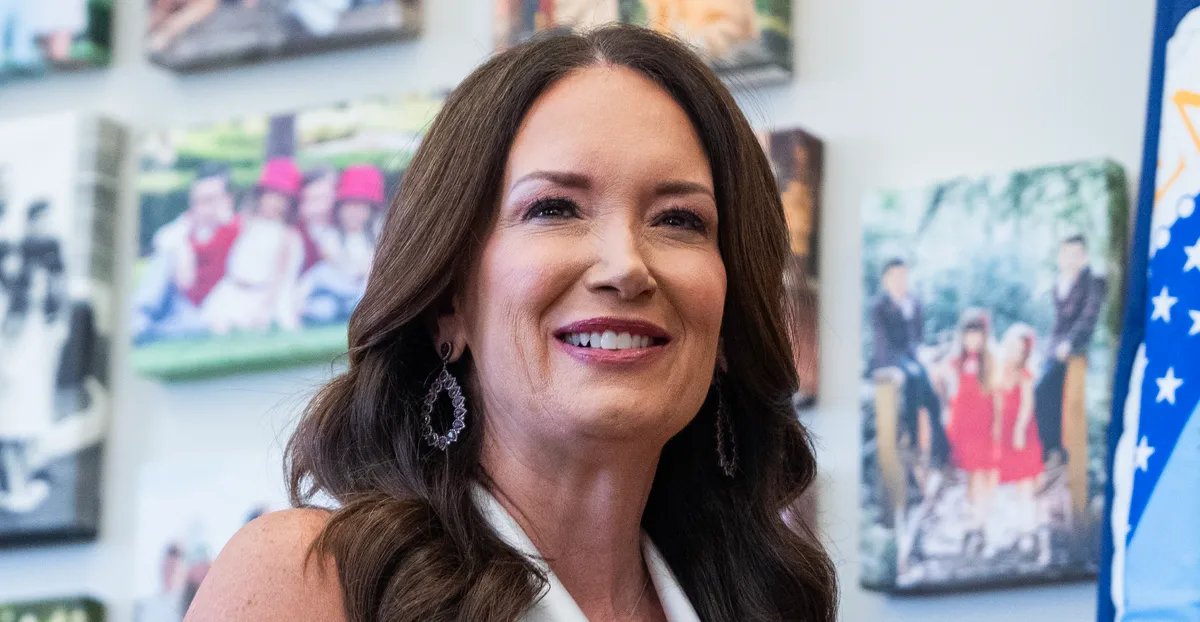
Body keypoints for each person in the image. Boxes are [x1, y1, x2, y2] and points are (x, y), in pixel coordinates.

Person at [185, 25, 836, 621]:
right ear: (448, 305)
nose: (626, 267)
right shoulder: (317, 581)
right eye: (554, 208)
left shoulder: (774, 608)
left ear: (727, 323)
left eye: (679, 220)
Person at [132, 163, 240, 343]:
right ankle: (140, 316)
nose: (202, 209)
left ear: (228, 200)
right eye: (197, 201)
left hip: (208, 312)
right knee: (166, 255)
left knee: (193, 326)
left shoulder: (239, 231)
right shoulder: (182, 229)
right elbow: (184, 280)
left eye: (210, 200)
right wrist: (182, 242)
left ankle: (145, 327)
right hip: (177, 302)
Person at [202, 157, 305, 334]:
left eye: (282, 197)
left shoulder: (287, 236)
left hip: (260, 296)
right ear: (261, 195)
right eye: (270, 194)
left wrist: (264, 307)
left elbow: (280, 278)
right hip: (231, 291)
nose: (275, 202)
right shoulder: (247, 223)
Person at [869, 258, 950, 468]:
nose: (900, 281)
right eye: (895, 277)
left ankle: (940, 452)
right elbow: (881, 342)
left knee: (931, 395)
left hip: (911, 356)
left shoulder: (914, 302)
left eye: (904, 276)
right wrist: (896, 365)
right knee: (913, 377)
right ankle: (913, 441)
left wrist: (923, 355)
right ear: (886, 280)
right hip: (891, 358)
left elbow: (917, 338)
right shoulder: (879, 306)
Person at [1034, 234, 1106, 463]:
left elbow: (1088, 318)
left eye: (1076, 254)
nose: (1071, 259)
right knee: (1043, 390)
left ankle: (1055, 447)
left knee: (1045, 389)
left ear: (1084, 256)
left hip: (1075, 350)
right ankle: (1049, 447)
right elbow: (1058, 324)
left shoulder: (1094, 280)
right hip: (1056, 349)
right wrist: (1049, 348)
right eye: (1067, 254)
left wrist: (1070, 343)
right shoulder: (1060, 281)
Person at [297, 164, 383, 325]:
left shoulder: (375, 237)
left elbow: (371, 267)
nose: (353, 213)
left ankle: (354, 302)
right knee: (321, 283)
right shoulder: (333, 235)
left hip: (362, 288)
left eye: (360, 207)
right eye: (348, 207)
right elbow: (330, 260)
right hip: (340, 285)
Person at [942, 308, 997, 556]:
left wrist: (997, 427)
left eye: (978, 335)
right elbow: (941, 381)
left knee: (983, 476)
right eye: (968, 335)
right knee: (970, 478)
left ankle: (981, 524)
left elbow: (997, 397)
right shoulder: (956, 362)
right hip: (963, 426)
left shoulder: (991, 362)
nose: (973, 341)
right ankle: (972, 525)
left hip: (984, 425)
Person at [993, 323, 1046, 559]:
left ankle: (1030, 530)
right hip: (1003, 432)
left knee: (1026, 483)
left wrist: (1019, 430)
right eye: (1012, 347)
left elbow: (1027, 406)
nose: (1015, 353)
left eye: (1020, 349)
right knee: (1012, 483)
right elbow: (994, 402)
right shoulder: (997, 370)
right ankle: (1016, 527)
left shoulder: (1025, 374)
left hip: (1021, 434)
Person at [295, 166, 338, 274]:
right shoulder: (296, 231)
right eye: (314, 199)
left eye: (326, 197)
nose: (322, 207)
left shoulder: (340, 224)